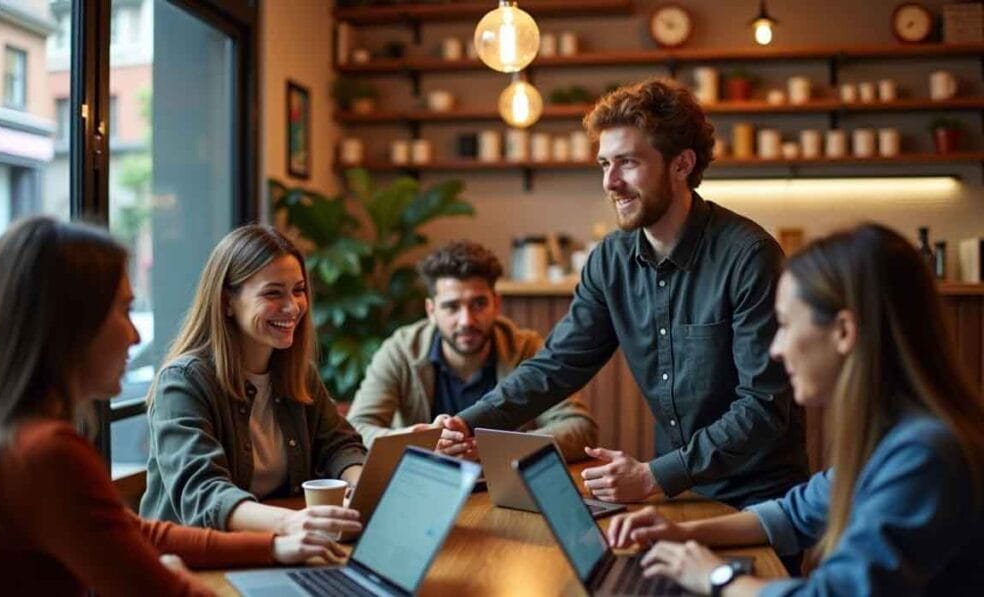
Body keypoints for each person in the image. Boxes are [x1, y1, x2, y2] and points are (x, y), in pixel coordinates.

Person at [438, 78, 808, 509]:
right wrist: (467, 424)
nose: (610, 182)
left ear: (682, 164)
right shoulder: (610, 260)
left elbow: (763, 406)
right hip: (677, 493)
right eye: (603, 164)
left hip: (759, 497)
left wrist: (654, 475)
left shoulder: (749, 256)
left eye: (627, 162)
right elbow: (558, 364)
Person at [0, 218, 349, 596]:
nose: (134, 335)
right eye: (124, 310)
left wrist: (273, 547)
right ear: (70, 324)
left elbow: (138, 533)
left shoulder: (8, 436)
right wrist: (175, 572)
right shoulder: (47, 454)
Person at [607, 224, 984, 595]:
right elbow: (796, 513)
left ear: (843, 332)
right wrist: (681, 534)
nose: (776, 349)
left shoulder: (924, 454)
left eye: (785, 325)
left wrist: (717, 578)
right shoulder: (897, 434)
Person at [140, 225, 366, 537]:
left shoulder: (297, 373)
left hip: (272, 547)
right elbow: (204, 494)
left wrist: (361, 486)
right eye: (273, 293)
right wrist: (291, 523)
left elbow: (339, 444)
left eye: (298, 290)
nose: (292, 307)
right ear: (226, 302)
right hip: (193, 560)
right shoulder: (182, 382)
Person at [346, 240, 597, 461]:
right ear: (431, 311)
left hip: (502, 486)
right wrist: (414, 441)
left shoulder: (526, 348)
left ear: (496, 303)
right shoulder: (400, 351)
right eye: (452, 307)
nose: (466, 320)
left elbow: (579, 428)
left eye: (478, 304)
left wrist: (495, 450)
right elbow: (356, 429)